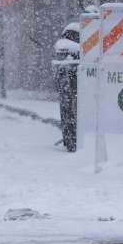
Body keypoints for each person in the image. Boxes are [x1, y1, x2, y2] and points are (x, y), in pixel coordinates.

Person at [53, 22, 81, 152]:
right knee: (69, 107)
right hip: (73, 79)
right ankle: (71, 138)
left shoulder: (69, 34)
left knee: (68, 108)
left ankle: (71, 139)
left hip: (71, 80)